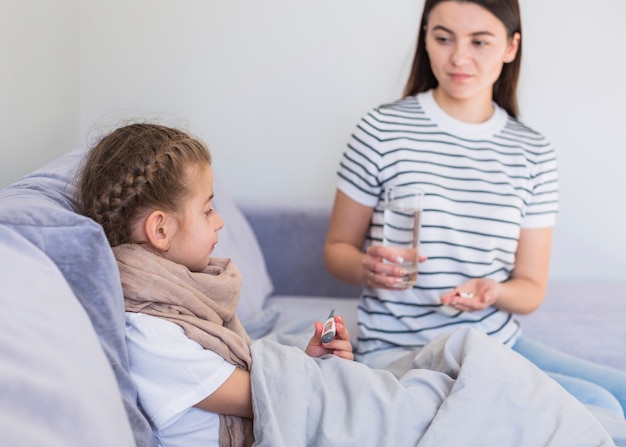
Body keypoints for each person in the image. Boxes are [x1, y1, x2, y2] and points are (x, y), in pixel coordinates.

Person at [324, 0, 626, 418]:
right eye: (443, 38)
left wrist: (495, 292)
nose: (459, 58)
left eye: (480, 41)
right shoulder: (381, 130)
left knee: (620, 395)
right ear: (425, 38)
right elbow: (337, 249)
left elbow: (531, 288)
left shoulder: (532, 152)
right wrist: (365, 267)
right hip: (401, 349)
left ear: (510, 47)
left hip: (497, 343)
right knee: (599, 407)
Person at [75, 123, 354, 447]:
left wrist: (311, 361)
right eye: (207, 210)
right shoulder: (151, 336)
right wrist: (319, 372)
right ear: (160, 231)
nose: (219, 220)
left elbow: (271, 390)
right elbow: (264, 397)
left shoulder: (174, 306)